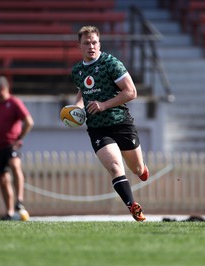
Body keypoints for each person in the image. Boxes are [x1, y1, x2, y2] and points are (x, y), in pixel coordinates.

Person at [70, 25, 149, 222]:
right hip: (97, 127)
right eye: (86, 43)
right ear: (79, 46)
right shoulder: (77, 70)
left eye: (94, 42)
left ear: (99, 43)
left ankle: (142, 169)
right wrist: (77, 108)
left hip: (120, 122)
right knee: (115, 166)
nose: (91, 46)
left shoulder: (110, 63)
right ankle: (133, 207)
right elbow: (83, 91)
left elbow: (131, 92)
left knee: (137, 170)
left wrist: (104, 105)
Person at [0, 76, 34, 220]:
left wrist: (19, 138)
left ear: (2, 88)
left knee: (15, 165)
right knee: (3, 180)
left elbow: (28, 122)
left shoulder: (14, 103)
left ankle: (19, 200)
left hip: (11, 145)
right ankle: (9, 212)